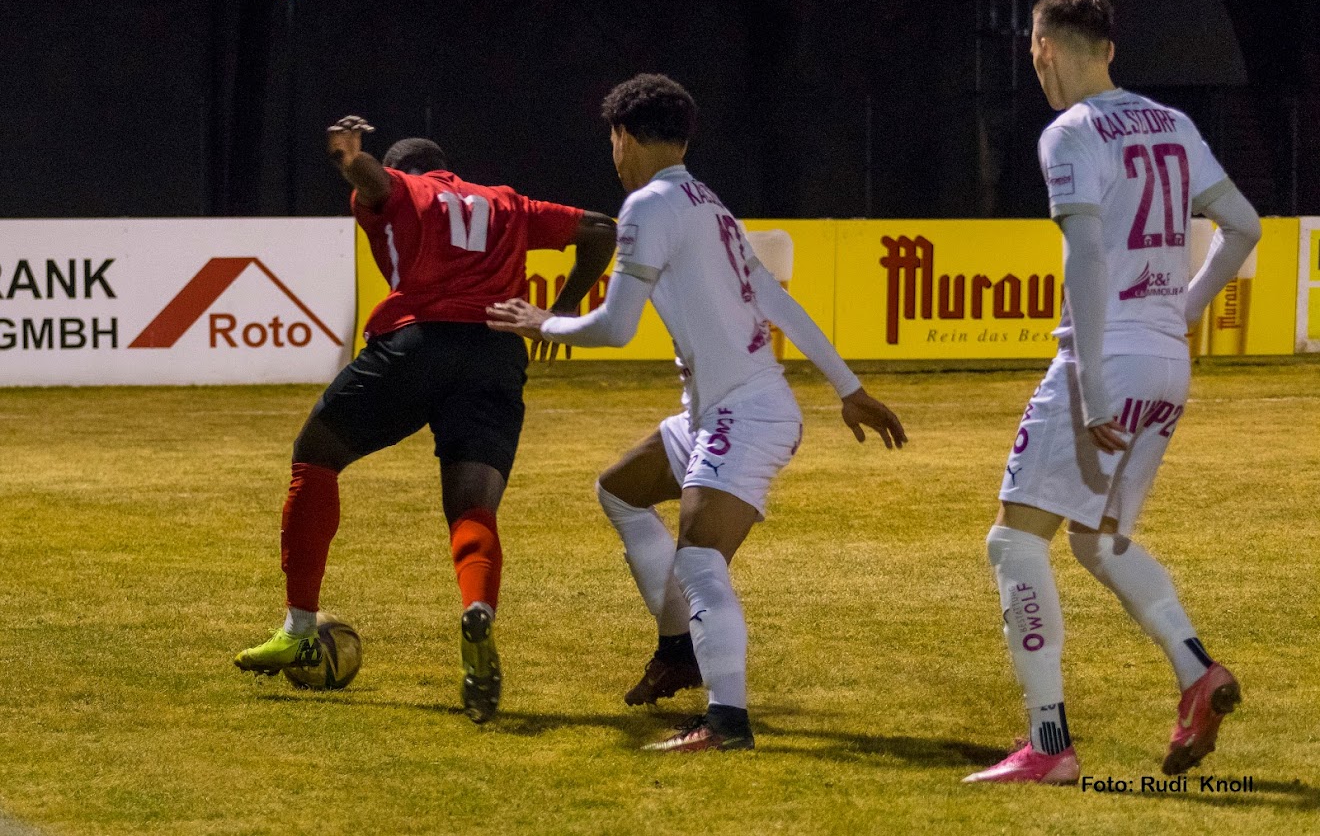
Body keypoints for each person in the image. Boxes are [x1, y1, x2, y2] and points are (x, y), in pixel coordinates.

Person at [488, 74, 907, 751]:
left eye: (612, 141)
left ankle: (726, 722)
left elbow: (616, 326)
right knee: (620, 490)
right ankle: (680, 648)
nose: (613, 154)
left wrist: (545, 322)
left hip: (745, 416)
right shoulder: (708, 203)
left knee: (701, 561)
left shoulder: (648, 207)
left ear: (623, 136)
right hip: (720, 412)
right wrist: (847, 386)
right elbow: (777, 299)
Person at [962, 0, 1262, 784]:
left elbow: (1086, 256)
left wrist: (1092, 383)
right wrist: (1183, 309)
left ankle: (1049, 743)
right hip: (1165, 361)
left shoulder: (1071, 132)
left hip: (1109, 360)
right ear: (1111, 50)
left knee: (1013, 540)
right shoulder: (1172, 123)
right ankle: (1197, 670)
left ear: (1042, 50)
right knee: (1098, 538)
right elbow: (1245, 226)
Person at [234, 116, 617, 724]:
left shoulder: (404, 189)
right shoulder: (506, 202)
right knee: (472, 506)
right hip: (495, 355)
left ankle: (300, 629)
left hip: (418, 345)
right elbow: (601, 228)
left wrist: (350, 160)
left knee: (315, 455)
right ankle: (477, 610)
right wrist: (561, 313)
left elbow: (378, 185)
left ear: (402, 169)